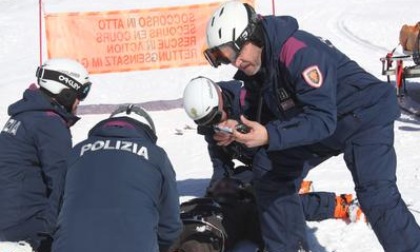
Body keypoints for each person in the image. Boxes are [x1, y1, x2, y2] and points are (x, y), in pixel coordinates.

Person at [203, 1, 420, 251]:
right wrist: (238, 129)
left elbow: (321, 120)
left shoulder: (298, 52)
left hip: (364, 115)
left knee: (376, 196)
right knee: (269, 170)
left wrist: (269, 134)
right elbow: (260, 112)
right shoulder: (257, 66)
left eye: (235, 52)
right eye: (227, 57)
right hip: (324, 121)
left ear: (251, 35)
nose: (236, 62)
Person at [182, 76, 363, 224]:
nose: (213, 124)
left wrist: (241, 132)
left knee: (267, 204)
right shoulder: (211, 120)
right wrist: (216, 192)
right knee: (233, 192)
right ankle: (292, 185)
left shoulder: (250, 99)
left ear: (220, 100)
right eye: (206, 122)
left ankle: (336, 205)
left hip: (281, 156)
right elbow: (220, 161)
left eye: (214, 118)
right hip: (254, 164)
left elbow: (281, 135)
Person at [51, 104, 183, 252]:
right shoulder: (156, 156)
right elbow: (170, 225)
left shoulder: (76, 152)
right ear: (147, 131)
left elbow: (52, 209)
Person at [0, 58, 92, 252]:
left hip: (9, 223)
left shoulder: (22, 116)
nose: (80, 101)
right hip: (26, 232)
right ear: (66, 91)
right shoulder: (49, 125)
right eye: (82, 92)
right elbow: (62, 185)